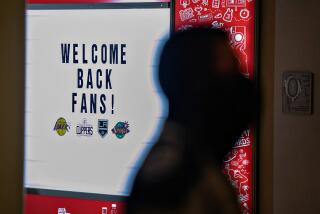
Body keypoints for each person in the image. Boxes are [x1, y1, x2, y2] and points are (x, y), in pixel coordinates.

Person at [126, 28, 257, 214]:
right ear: (198, 84)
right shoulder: (171, 174)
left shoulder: (197, 158)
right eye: (230, 74)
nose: (242, 88)